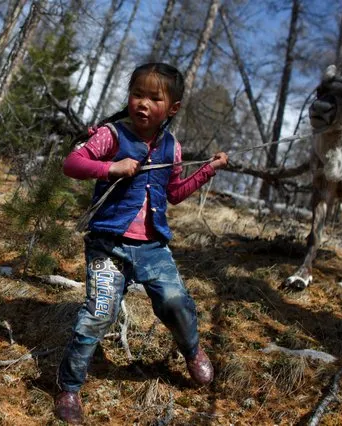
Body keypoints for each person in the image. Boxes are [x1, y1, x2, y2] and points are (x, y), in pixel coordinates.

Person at [55, 62, 229, 424]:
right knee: (99, 314)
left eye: (154, 97)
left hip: (152, 247)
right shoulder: (111, 135)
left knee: (175, 301)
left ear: (174, 108)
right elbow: (72, 163)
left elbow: (175, 193)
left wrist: (208, 169)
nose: (143, 104)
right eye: (137, 94)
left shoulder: (172, 147)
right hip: (108, 244)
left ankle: (193, 351)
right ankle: (69, 387)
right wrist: (110, 169)